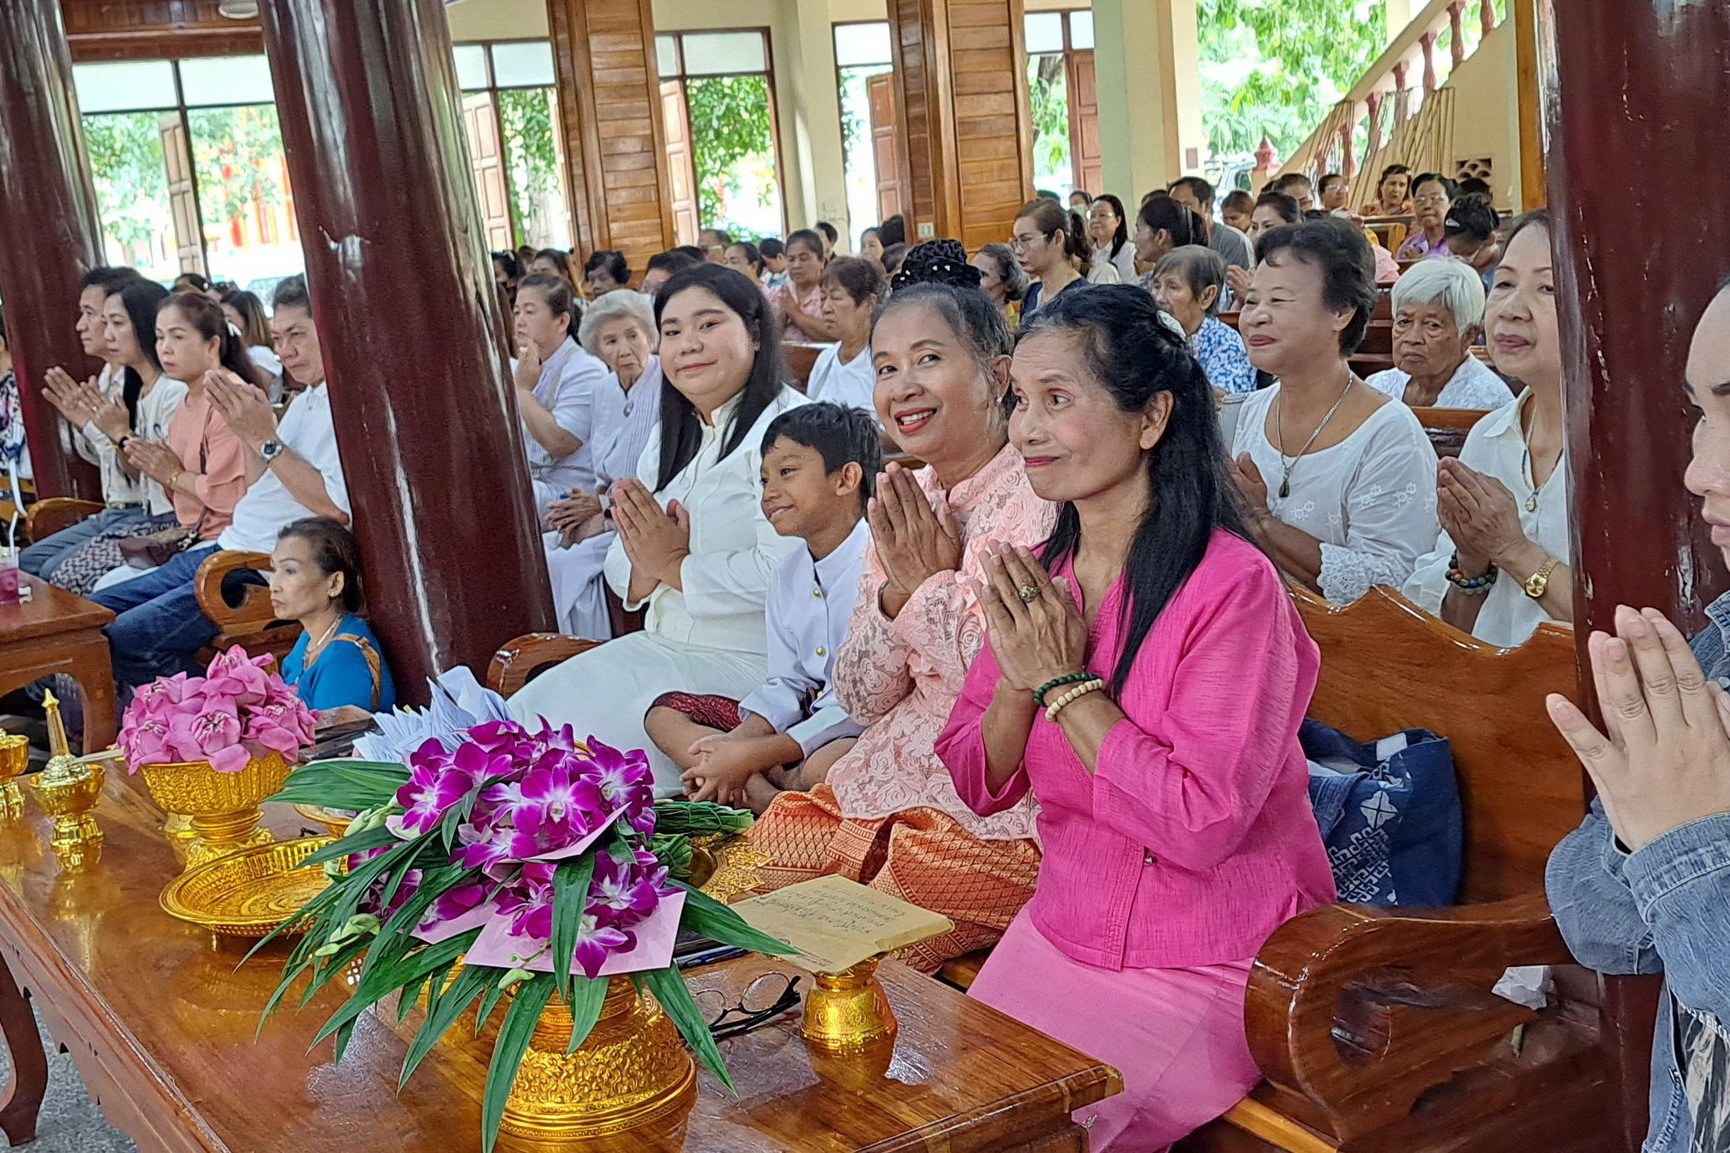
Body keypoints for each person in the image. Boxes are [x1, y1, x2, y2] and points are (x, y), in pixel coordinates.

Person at [937, 285, 1334, 1149]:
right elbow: (978, 777)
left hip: (1210, 955)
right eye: (1019, 401)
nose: (1026, 430)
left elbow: (1199, 824)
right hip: (1061, 924)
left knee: (1039, 1136)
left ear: (1151, 417)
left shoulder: (1231, 588)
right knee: (945, 1121)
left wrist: (1067, 688)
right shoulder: (1042, 572)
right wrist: (1020, 676)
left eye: (1058, 400)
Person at [746, 244, 1056, 972]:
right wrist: (894, 594)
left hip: (995, 807)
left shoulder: (1040, 497)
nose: (902, 386)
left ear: (997, 374)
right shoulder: (901, 494)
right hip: (884, 773)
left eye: (927, 359)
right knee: (746, 887)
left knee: (850, 952)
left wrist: (927, 587)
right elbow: (858, 691)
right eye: (885, 367)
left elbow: (1012, 678)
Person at [1542, 278, 1730, 1153]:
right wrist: (1642, 831)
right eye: (1701, 412)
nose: (1698, 470)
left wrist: (1693, 844)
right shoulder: (1720, 650)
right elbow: (1597, 925)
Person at [507, 264, 809, 790]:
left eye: (709, 325)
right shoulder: (673, 436)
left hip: (751, 663)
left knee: (585, 769)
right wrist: (653, 565)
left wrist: (675, 565)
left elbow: (792, 575)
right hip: (660, 643)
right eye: (672, 332)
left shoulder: (795, 431)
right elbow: (624, 563)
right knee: (526, 719)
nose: (688, 345)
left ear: (756, 333)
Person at [90, 275, 352, 689]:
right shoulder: (305, 400)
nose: (286, 351)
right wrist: (251, 436)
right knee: (94, 613)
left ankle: (223, 716)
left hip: (258, 565)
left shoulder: (347, 407)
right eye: (279, 337)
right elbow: (258, 485)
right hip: (228, 544)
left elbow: (334, 508)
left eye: (297, 335)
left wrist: (264, 440)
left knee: (126, 638)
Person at [645, 403, 879, 812]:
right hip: (792, 732)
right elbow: (786, 682)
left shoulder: (880, 565)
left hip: (857, 730)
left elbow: (864, 704)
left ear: (846, 478)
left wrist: (754, 755)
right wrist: (737, 743)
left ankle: (761, 792)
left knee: (829, 765)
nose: (769, 493)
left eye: (787, 473)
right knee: (665, 714)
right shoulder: (788, 572)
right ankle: (768, 798)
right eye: (764, 479)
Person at [1228, 218, 1439, 605]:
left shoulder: (1389, 434)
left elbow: (1393, 585)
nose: (1256, 315)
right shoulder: (1254, 410)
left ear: (1341, 312)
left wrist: (1263, 524)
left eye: (1278, 301)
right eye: (1251, 300)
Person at [1404, 212, 1570, 646]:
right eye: (1504, 283)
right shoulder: (1489, 436)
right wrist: (1471, 562)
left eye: (1547, 288)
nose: (1512, 310)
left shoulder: (1635, 455)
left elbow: (1635, 631)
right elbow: (1454, 630)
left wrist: (1514, 550)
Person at [92, 292, 260, 593]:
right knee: (105, 587)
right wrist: (161, 470)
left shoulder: (230, 399)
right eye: (159, 337)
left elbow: (230, 496)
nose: (164, 349)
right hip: (191, 535)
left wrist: (171, 474)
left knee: (109, 600)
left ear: (213, 344)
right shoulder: (187, 399)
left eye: (177, 337)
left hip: (227, 543)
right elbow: (179, 493)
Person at [33, 279, 192, 596]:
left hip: (172, 521)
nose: (106, 335)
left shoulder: (172, 391)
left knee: (62, 576)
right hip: (149, 516)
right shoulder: (139, 388)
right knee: (41, 566)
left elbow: (168, 480)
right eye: (104, 323)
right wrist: (102, 430)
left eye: (116, 323)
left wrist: (118, 434)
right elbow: (138, 474)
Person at [543, 289, 666, 639]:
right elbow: (603, 470)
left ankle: (587, 647)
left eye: (632, 335)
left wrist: (602, 509)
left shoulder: (666, 385)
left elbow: (661, 476)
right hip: (606, 507)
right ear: (598, 349)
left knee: (562, 565)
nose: (624, 348)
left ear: (649, 337)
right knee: (543, 547)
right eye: (610, 340)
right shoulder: (603, 390)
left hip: (644, 516)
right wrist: (583, 508)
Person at [19, 267, 146, 581]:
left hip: (140, 512)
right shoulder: (106, 377)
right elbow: (105, 459)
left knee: (52, 572)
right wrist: (85, 425)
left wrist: (98, 428)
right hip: (113, 509)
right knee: (27, 563)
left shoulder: (144, 382)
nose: (80, 326)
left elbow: (142, 473)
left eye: (90, 314)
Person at [271, 517, 394, 714]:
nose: (274, 585)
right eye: (273, 569)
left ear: (335, 583)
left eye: (290, 570)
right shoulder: (308, 640)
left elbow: (335, 741)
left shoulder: (344, 658)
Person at [512, 273, 612, 517]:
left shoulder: (586, 368)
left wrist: (522, 391)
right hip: (531, 481)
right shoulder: (522, 365)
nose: (520, 321)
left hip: (569, 492)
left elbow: (560, 443)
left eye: (530, 311)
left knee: (495, 493)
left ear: (562, 321)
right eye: (516, 312)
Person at [1365, 260, 1513, 409]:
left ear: (1468, 336)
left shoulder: (1490, 404)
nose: (1412, 338)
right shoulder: (1378, 388)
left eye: (1433, 325)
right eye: (1404, 322)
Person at [1150, 246, 1255, 396]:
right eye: (1156, 286)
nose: (1159, 297)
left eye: (1172, 287)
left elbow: (1222, 400)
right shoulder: (1152, 333)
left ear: (1207, 296)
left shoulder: (1225, 342)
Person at [807, 257, 885, 416]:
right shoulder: (825, 361)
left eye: (836, 298)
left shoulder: (882, 362)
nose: (826, 308)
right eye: (822, 298)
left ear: (869, 304)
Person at [1014, 198, 1090, 320]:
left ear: (1057, 238)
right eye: (1016, 241)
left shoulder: (1082, 298)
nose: (1018, 250)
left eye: (1026, 240)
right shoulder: (1032, 292)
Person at [1170, 176, 1254, 273]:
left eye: (1186, 205)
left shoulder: (1233, 241)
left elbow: (1237, 284)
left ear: (1207, 205)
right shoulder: (1173, 241)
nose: (1179, 213)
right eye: (1174, 207)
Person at [775, 229, 839, 343]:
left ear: (821, 261)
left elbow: (837, 334)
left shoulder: (834, 294)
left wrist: (795, 313)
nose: (796, 265)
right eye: (791, 259)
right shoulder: (778, 293)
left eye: (804, 259)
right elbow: (768, 338)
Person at [1133, 196, 1206, 290]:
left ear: (1160, 236)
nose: (1135, 239)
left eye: (1139, 230)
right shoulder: (1205, 274)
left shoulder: (1151, 287)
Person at [219, 288, 281, 388]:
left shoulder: (260, 353)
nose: (223, 325)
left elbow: (259, 391)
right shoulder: (236, 353)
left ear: (247, 319)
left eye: (228, 319)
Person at [1439, 194, 1502, 283]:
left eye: (1467, 253)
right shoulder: (1457, 275)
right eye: (1453, 253)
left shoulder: (1505, 274)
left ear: (1490, 239)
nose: (1459, 260)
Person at [1395, 173, 1457, 261]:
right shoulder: (1409, 246)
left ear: (1451, 204)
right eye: (1420, 200)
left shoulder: (1459, 243)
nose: (1427, 205)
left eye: (1435, 198)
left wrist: (1424, 264)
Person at [972, 243, 1030, 325]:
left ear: (1008, 284)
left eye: (983, 274)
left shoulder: (1014, 327)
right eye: (971, 271)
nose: (971, 279)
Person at [1084, 194, 1135, 285]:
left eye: (1102, 215)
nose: (1096, 220)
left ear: (1118, 220)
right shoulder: (1089, 253)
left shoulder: (1128, 251)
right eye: (1092, 216)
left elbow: (1130, 287)